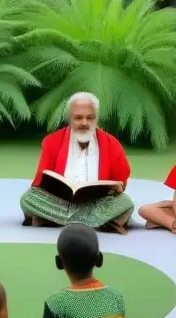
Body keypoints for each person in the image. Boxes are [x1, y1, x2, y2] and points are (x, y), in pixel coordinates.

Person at [20, 92, 134, 234]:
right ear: (70, 119)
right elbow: (39, 184)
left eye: (90, 118)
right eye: (78, 118)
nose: (84, 123)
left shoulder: (111, 143)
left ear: (96, 119)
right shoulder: (52, 142)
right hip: (59, 203)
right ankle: (96, 222)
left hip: (96, 203)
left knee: (126, 203)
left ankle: (55, 220)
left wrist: (116, 187)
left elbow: (121, 181)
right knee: (28, 198)